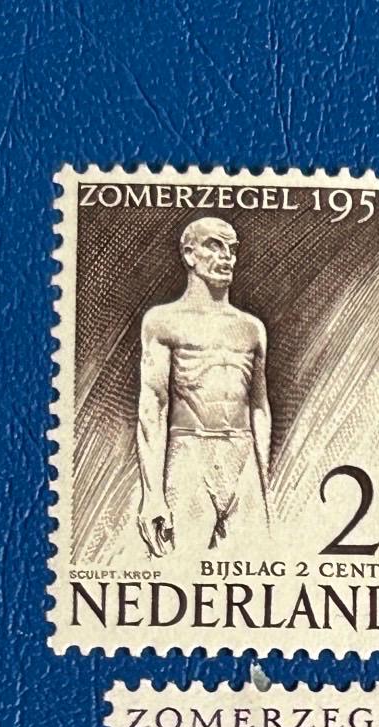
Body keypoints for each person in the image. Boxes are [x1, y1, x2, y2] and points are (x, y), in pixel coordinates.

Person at [136, 217, 271, 557]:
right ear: (189, 254)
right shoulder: (163, 321)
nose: (227, 257)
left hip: (243, 460)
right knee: (179, 570)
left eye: (232, 249)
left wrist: (264, 482)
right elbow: (153, 408)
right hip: (189, 457)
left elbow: (259, 407)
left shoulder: (252, 329)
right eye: (215, 245)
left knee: (253, 571)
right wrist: (152, 495)